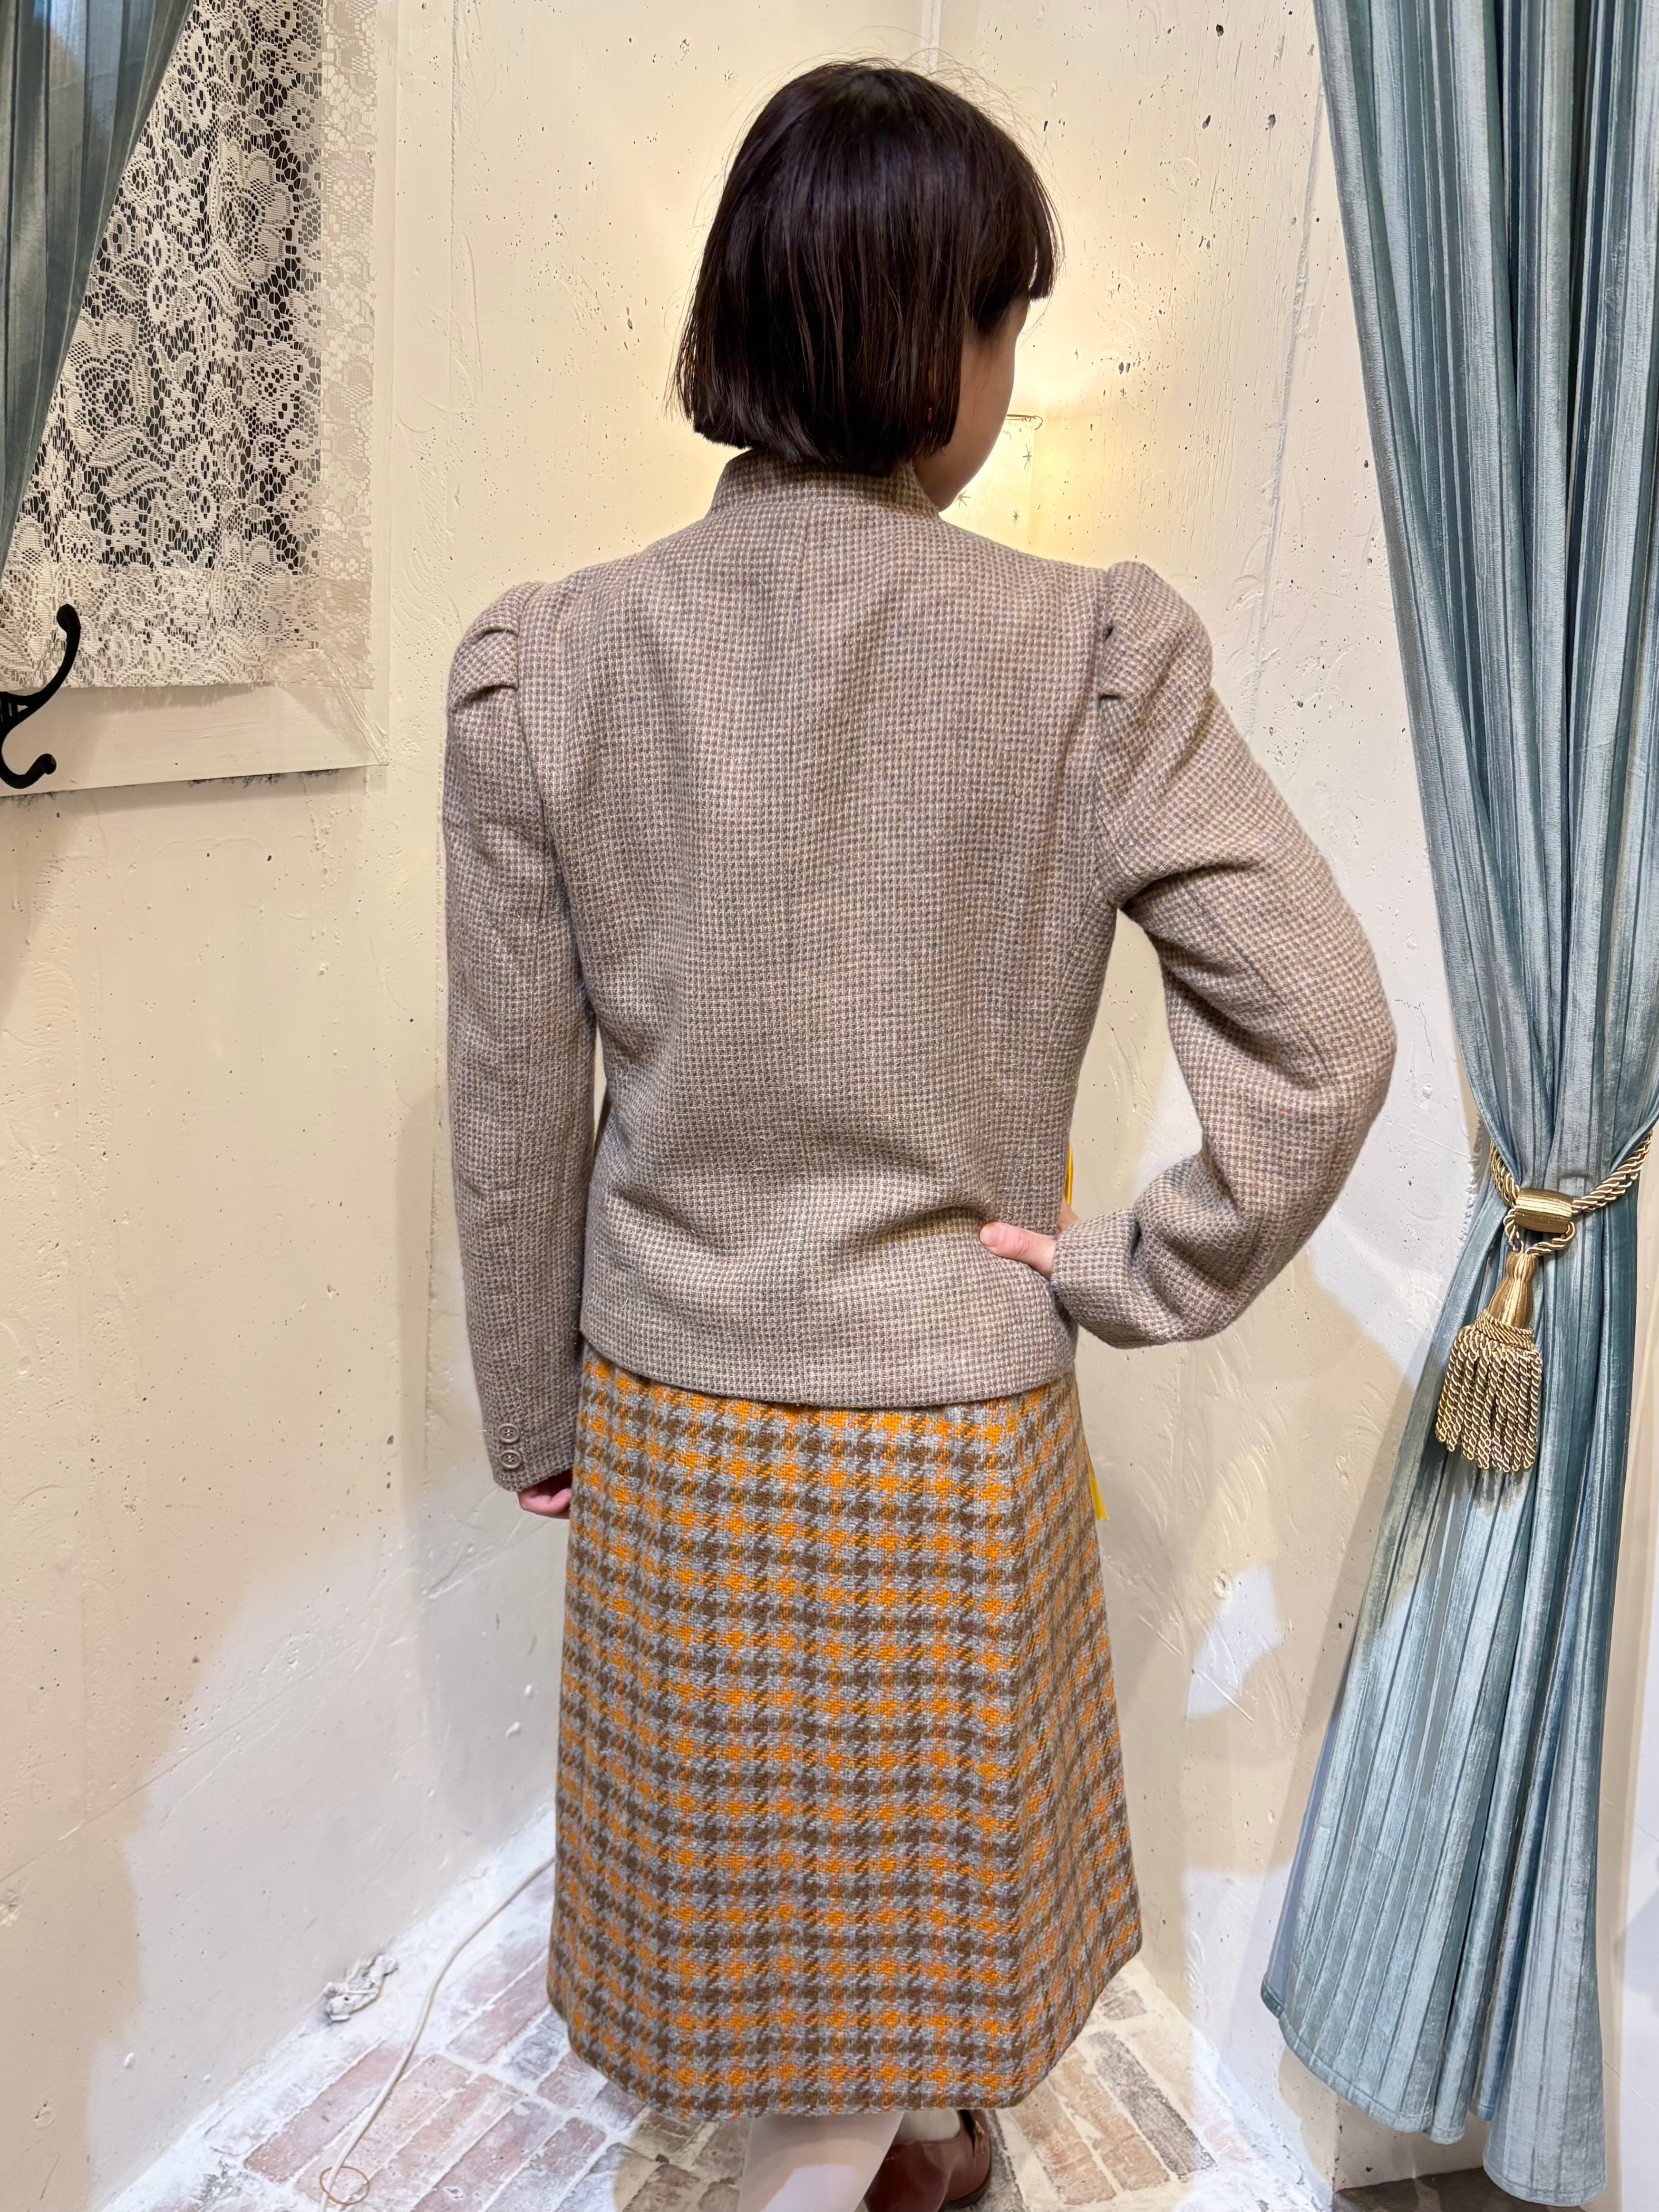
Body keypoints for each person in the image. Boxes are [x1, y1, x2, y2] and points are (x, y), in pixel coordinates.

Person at [443, 59, 1395, 2212]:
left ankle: (909, 2152)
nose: (1005, 372)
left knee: (758, 1917)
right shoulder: (1090, 656)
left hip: (678, 1421)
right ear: (937, 340)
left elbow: (514, 1114)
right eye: (1006, 321)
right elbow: (1327, 1037)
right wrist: (1127, 1272)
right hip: (953, 1440)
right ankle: (903, 2152)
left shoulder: (546, 667)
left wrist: (532, 1407)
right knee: (906, 1916)